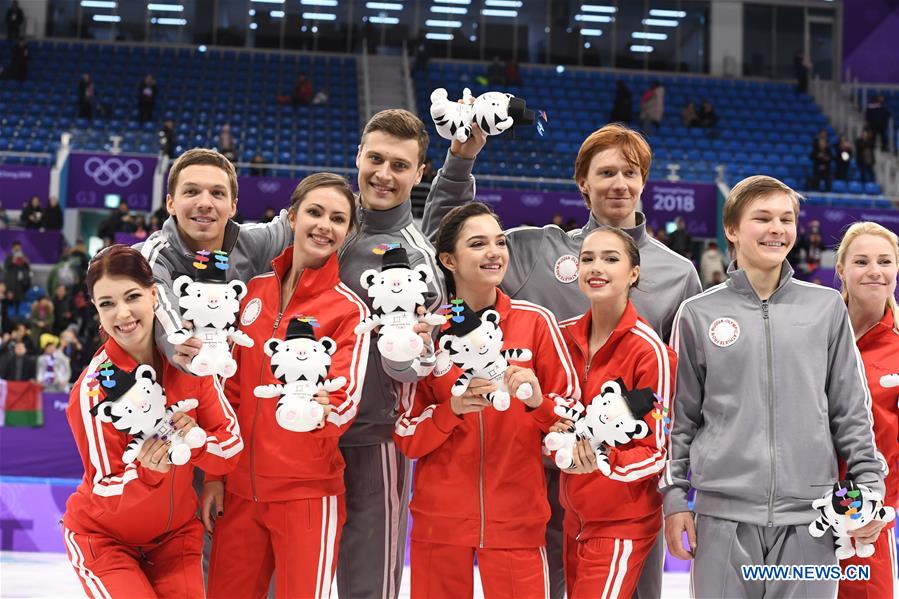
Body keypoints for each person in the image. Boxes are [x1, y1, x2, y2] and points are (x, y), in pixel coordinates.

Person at [422, 121, 701, 599]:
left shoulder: (678, 273)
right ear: (582, 183)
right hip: (539, 475)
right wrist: (461, 160)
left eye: (630, 172)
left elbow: (686, 396)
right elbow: (447, 242)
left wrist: (676, 488)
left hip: (626, 483)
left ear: (644, 182)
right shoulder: (536, 249)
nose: (619, 183)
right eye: (606, 172)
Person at [661, 175, 884, 599]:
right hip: (722, 520)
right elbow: (679, 419)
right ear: (731, 229)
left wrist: (868, 489)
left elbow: (851, 412)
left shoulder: (825, 308)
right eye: (762, 217)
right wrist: (675, 498)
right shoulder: (698, 314)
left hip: (812, 522)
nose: (777, 228)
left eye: (786, 218)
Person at [395, 202, 579, 598]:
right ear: (448, 259)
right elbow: (407, 436)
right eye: (478, 244)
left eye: (500, 242)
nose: (495, 252)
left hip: (517, 520)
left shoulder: (535, 323)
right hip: (439, 524)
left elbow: (571, 421)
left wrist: (537, 401)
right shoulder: (428, 332)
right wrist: (451, 411)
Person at [203, 173, 370, 599]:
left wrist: (326, 405)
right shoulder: (253, 292)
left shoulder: (348, 310)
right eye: (314, 212)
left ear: (348, 232)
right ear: (292, 217)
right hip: (239, 491)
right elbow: (228, 391)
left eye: (337, 219)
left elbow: (345, 398)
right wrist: (215, 476)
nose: (323, 225)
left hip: (307, 495)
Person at [61, 245, 243, 598]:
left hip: (175, 539)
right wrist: (146, 471)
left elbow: (231, 444)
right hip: (105, 542)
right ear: (97, 313)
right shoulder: (94, 390)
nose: (123, 313)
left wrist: (200, 443)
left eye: (132, 296)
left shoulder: (189, 363)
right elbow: (105, 486)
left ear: (154, 294)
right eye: (107, 304)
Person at [335, 109, 447, 599]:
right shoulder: (324, 224)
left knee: (368, 582)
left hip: (372, 436)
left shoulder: (418, 259)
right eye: (375, 158)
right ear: (357, 156)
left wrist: (415, 352)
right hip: (300, 433)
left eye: (399, 165)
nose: (383, 173)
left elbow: (421, 365)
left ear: (419, 174)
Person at [557, 227, 675, 599]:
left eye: (611, 259)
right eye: (588, 258)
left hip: (623, 521)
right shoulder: (562, 336)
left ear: (634, 273)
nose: (596, 267)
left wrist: (603, 461)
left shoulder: (650, 352)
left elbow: (656, 450)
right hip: (573, 516)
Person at [135, 148, 291, 371]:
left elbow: (300, 220)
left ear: (233, 206)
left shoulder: (254, 243)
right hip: (170, 394)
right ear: (170, 203)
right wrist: (180, 342)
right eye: (191, 192)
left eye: (217, 193)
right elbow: (159, 300)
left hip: (239, 391)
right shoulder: (150, 256)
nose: (205, 203)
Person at [834, 221, 899, 599]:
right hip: (800, 516)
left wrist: (881, 508)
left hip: (869, 524)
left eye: (885, 261)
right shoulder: (813, 336)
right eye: (861, 261)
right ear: (841, 270)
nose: (874, 270)